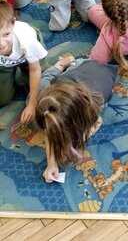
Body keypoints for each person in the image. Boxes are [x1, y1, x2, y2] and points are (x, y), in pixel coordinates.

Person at [36, 54, 118, 182]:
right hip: (71, 79)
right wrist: (51, 163)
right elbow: (50, 128)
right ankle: (61, 65)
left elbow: (98, 122)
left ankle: (65, 63)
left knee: (39, 88)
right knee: (38, 94)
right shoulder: (58, 89)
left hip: (86, 64)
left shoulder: (92, 110)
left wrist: (76, 139)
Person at [0, 1, 47, 123]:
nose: (1, 43)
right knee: (3, 99)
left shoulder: (26, 39)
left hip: (28, 55)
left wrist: (31, 104)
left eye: (6, 34)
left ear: (13, 25)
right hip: (5, 63)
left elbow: (35, 70)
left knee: (43, 92)